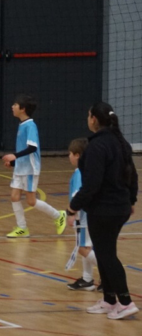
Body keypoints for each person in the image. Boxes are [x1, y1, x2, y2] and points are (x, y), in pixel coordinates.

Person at [68, 102, 138, 319]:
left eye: (89, 115)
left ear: (94, 120)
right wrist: (131, 199)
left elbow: (92, 184)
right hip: (119, 207)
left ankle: (125, 302)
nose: (87, 119)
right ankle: (109, 300)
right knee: (105, 252)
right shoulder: (120, 142)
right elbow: (133, 175)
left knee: (107, 256)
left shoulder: (97, 146)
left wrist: (73, 206)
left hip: (104, 209)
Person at [0, 94, 66, 238]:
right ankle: (22, 228)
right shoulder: (22, 125)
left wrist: (14, 156)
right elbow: (24, 150)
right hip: (20, 168)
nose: (12, 107)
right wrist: (14, 162)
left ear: (22, 109)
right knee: (14, 197)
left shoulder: (30, 125)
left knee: (31, 201)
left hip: (30, 169)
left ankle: (58, 215)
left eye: (15, 104)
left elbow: (32, 148)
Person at [65, 138, 99, 291]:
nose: (69, 157)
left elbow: (78, 195)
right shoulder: (87, 171)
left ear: (77, 155)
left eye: (70, 154)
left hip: (82, 218)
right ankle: (87, 279)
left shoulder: (80, 173)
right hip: (88, 216)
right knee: (86, 246)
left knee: (82, 248)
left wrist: (72, 213)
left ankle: (109, 274)